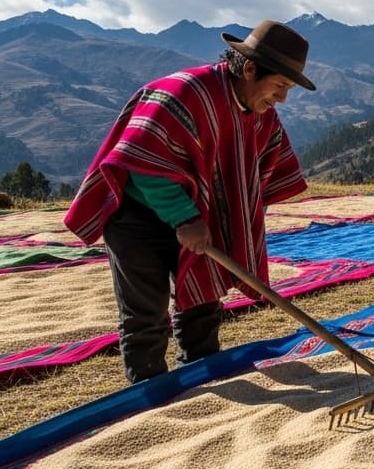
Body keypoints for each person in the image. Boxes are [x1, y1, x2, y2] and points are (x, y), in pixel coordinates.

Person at [64, 20, 314, 384]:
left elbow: (259, 172)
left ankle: (202, 377)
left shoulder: (262, 118)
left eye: (288, 88)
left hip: (201, 215)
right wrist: (183, 218)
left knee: (202, 300)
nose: (282, 98)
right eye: (279, 85)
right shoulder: (183, 94)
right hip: (138, 216)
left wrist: (230, 217)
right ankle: (149, 393)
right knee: (145, 314)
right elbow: (143, 163)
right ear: (249, 70)